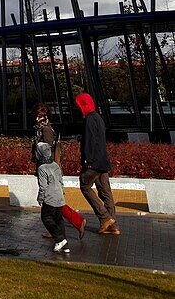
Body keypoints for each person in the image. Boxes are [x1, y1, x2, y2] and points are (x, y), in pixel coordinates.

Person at [32, 104, 86, 238]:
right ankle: (58, 228)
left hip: (48, 169)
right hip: (47, 168)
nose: (38, 118)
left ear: (46, 116)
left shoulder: (45, 130)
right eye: (37, 115)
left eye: (41, 116)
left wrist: (44, 168)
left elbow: (48, 151)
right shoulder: (42, 128)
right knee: (53, 201)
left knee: (51, 201)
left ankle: (76, 221)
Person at [75, 92, 119, 235]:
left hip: (93, 163)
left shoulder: (88, 119)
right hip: (103, 161)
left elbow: (90, 142)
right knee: (106, 192)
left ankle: (105, 217)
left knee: (85, 186)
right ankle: (112, 225)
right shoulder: (98, 118)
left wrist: (87, 161)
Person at [35, 142, 70, 253]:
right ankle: (65, 245)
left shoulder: (42, 168)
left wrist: (40, 198)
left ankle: (59, 239)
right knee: (59, 220)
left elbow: (43, 186)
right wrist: (62, 193)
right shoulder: (55, 165)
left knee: (46, 218)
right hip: (59, 197)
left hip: (50, 198)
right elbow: (61, 181)